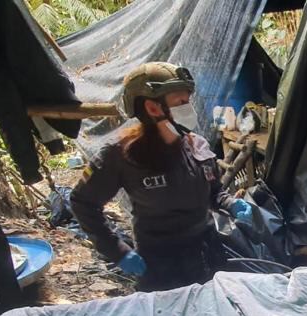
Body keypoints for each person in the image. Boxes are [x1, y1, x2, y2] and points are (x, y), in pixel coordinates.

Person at [71, 62, 252, 291]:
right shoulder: (121, 155)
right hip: (160, 266)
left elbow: (214, 191)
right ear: (153, 108)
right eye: (181, 102)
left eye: (189, 101)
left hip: (207, 253)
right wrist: (117, 250)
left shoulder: (197, 145)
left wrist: (232, 203)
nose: (190, 109)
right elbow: (82, 202)